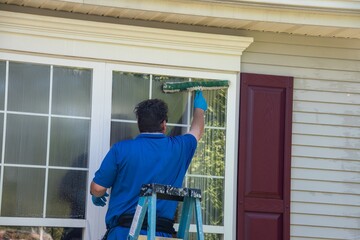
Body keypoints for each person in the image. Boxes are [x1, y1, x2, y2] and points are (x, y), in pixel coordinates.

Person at [90, 90, 207, 239]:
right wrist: (199, 109)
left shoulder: (122, 149)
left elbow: (98, 188)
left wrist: (96, 194)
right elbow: (197, 130)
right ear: (163, 124)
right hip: (160, 235)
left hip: (123, 234)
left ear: (139, 124)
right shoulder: (179, 148)